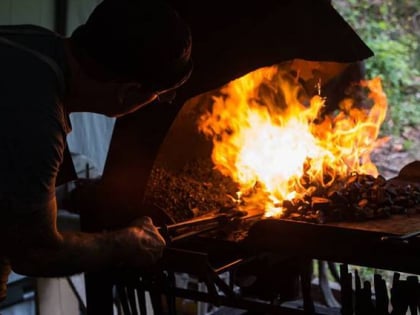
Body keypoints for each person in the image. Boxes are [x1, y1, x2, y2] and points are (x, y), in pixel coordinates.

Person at [0, 0, 192, 301]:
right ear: (127, 93)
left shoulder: (35, 41)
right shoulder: (38, 120)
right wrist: (126, 243)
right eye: (158, 97)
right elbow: (35, 254)